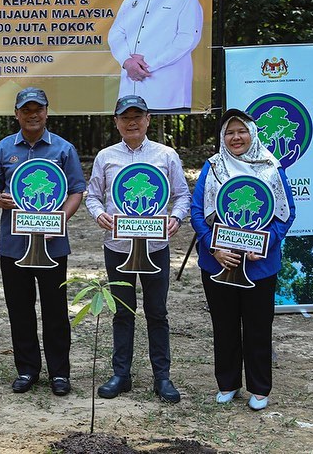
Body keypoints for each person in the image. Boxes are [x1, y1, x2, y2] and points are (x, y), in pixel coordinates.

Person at [85, 95, 191, 403]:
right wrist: (98, 214)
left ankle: (162, 377)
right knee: (122, 311)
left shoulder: (166, 155)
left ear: (147, 120)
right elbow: (93, 196)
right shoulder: (106, 156)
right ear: (116, 121)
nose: (132, 122)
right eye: (125, 117)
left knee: (157, 312)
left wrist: (176, 217)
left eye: (138, 116)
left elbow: (182, 195)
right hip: (118, 246)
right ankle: (121, 375)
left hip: (156, 246)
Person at [191, 109, 295, 411]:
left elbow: (286, 215)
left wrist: (265, 243)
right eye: (229, 132)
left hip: (259, 265)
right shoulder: (213, 167)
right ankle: (228, 383)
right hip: (218, 263)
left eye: (241, 131)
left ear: (252, 133)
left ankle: (260, 388)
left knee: (258, 326)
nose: (236, 137)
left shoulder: (270, 168)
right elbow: (198, 212)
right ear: (223, 138)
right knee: (223, 325)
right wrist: (214, 248)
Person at [0, 87, 86, 396]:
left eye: (38, 108)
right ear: (16, 114)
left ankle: (59, 373)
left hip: (52, 245)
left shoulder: (63, 149)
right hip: (14, 246)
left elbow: (76, 190)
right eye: (26, 109)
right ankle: (27, 370)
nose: (32, 114)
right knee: (20, 309)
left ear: (46, 111)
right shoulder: (3, 149)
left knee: (55, 310)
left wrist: (61, 220)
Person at [108, 0, 203, 112]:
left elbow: (186, 40)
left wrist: (146, 65)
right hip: (129, 97)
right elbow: (116, 34)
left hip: (167, 97)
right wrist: (127, 62)